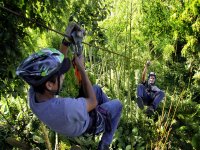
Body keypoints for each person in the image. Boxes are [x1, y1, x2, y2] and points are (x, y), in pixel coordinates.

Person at [16, 23, 122, 150]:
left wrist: (66, 41)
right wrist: (82, 69)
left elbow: (57, 64)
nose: (64, 75)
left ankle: (107, 115)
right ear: (49, 85)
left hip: (73, 119)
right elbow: (93, 102)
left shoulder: (34, 94)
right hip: (90, 124)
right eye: (60, 75)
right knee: (118, 105)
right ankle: (104, 143)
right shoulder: (65, 107)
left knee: (97, 89)